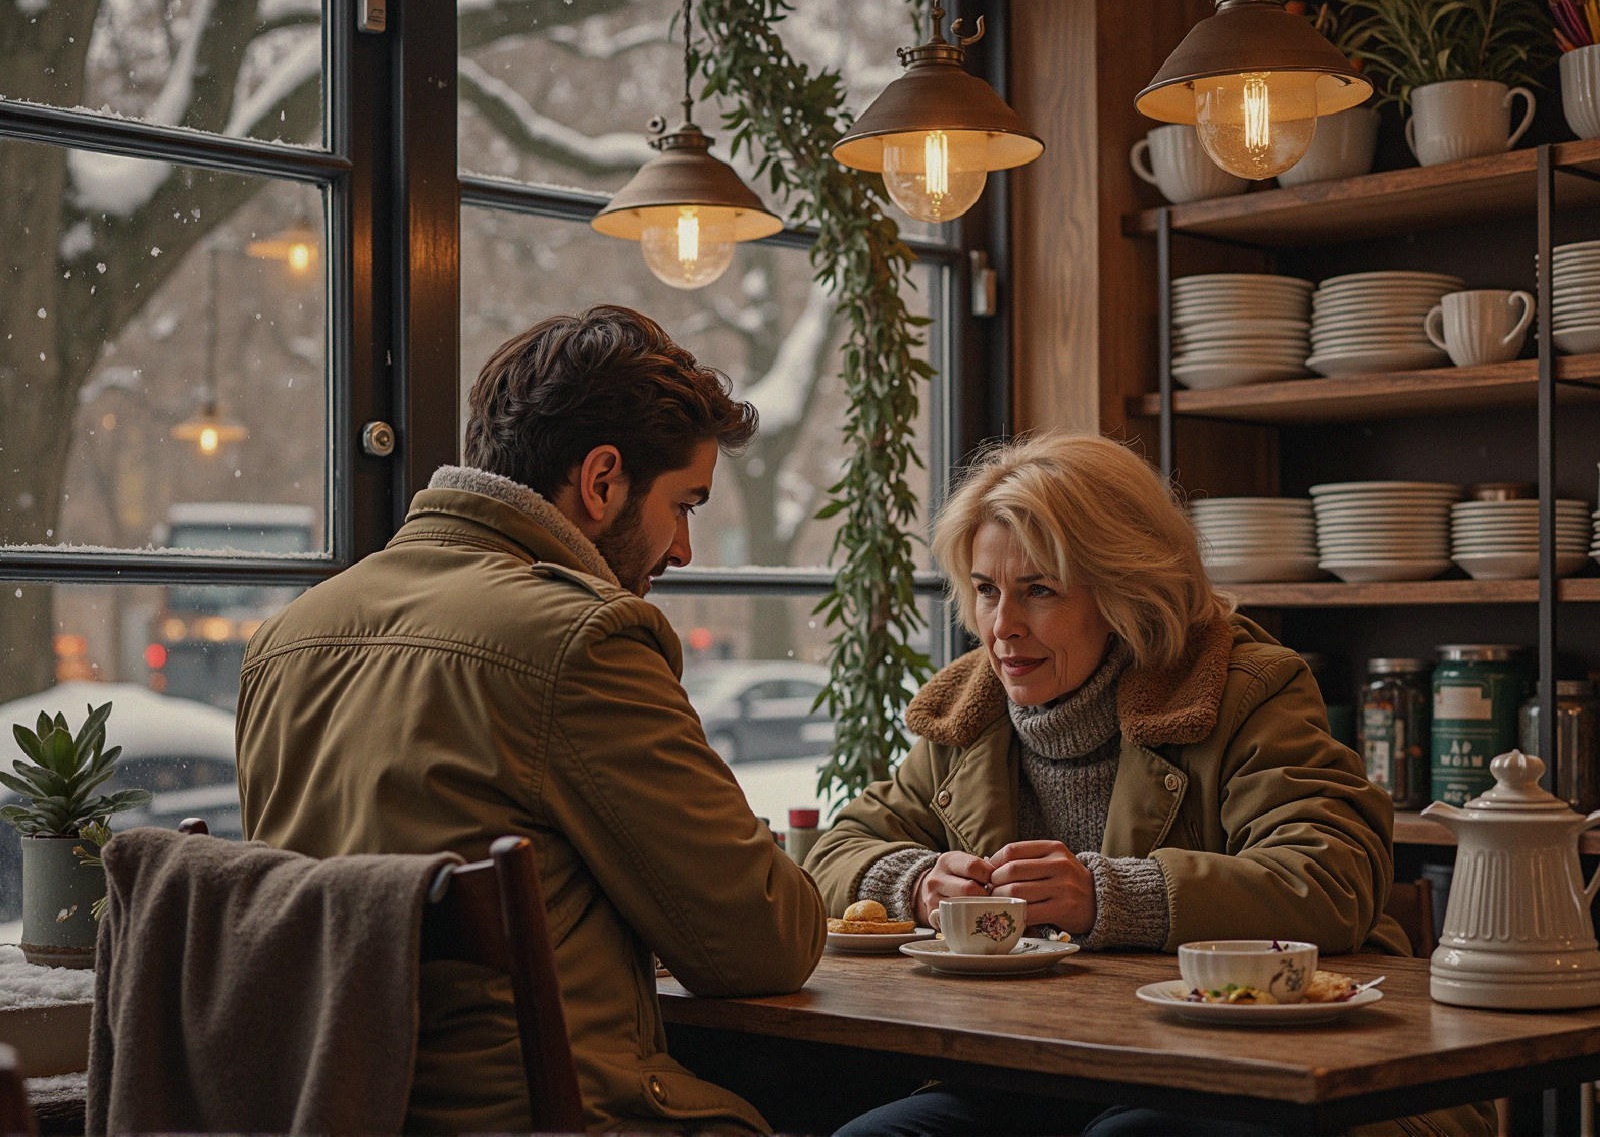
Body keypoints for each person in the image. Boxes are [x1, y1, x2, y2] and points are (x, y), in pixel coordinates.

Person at [235, 305, 826, 1135]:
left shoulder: (287, 639)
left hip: (336, 1109)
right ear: (602, 480)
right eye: (685, 504)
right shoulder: (579, 638)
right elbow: (764, 942)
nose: (685, 550)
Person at [807, 431, 1492, 1137]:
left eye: (1039, 590)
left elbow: (1330, 881)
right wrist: (915, 884)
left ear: (1124, 590)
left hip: (1274, 1062)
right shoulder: (970, 712)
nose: (1002, 627)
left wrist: (1108, 895)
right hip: (1042, 1067)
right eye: (986, 590)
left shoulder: (1245, 687)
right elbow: (836, 850)